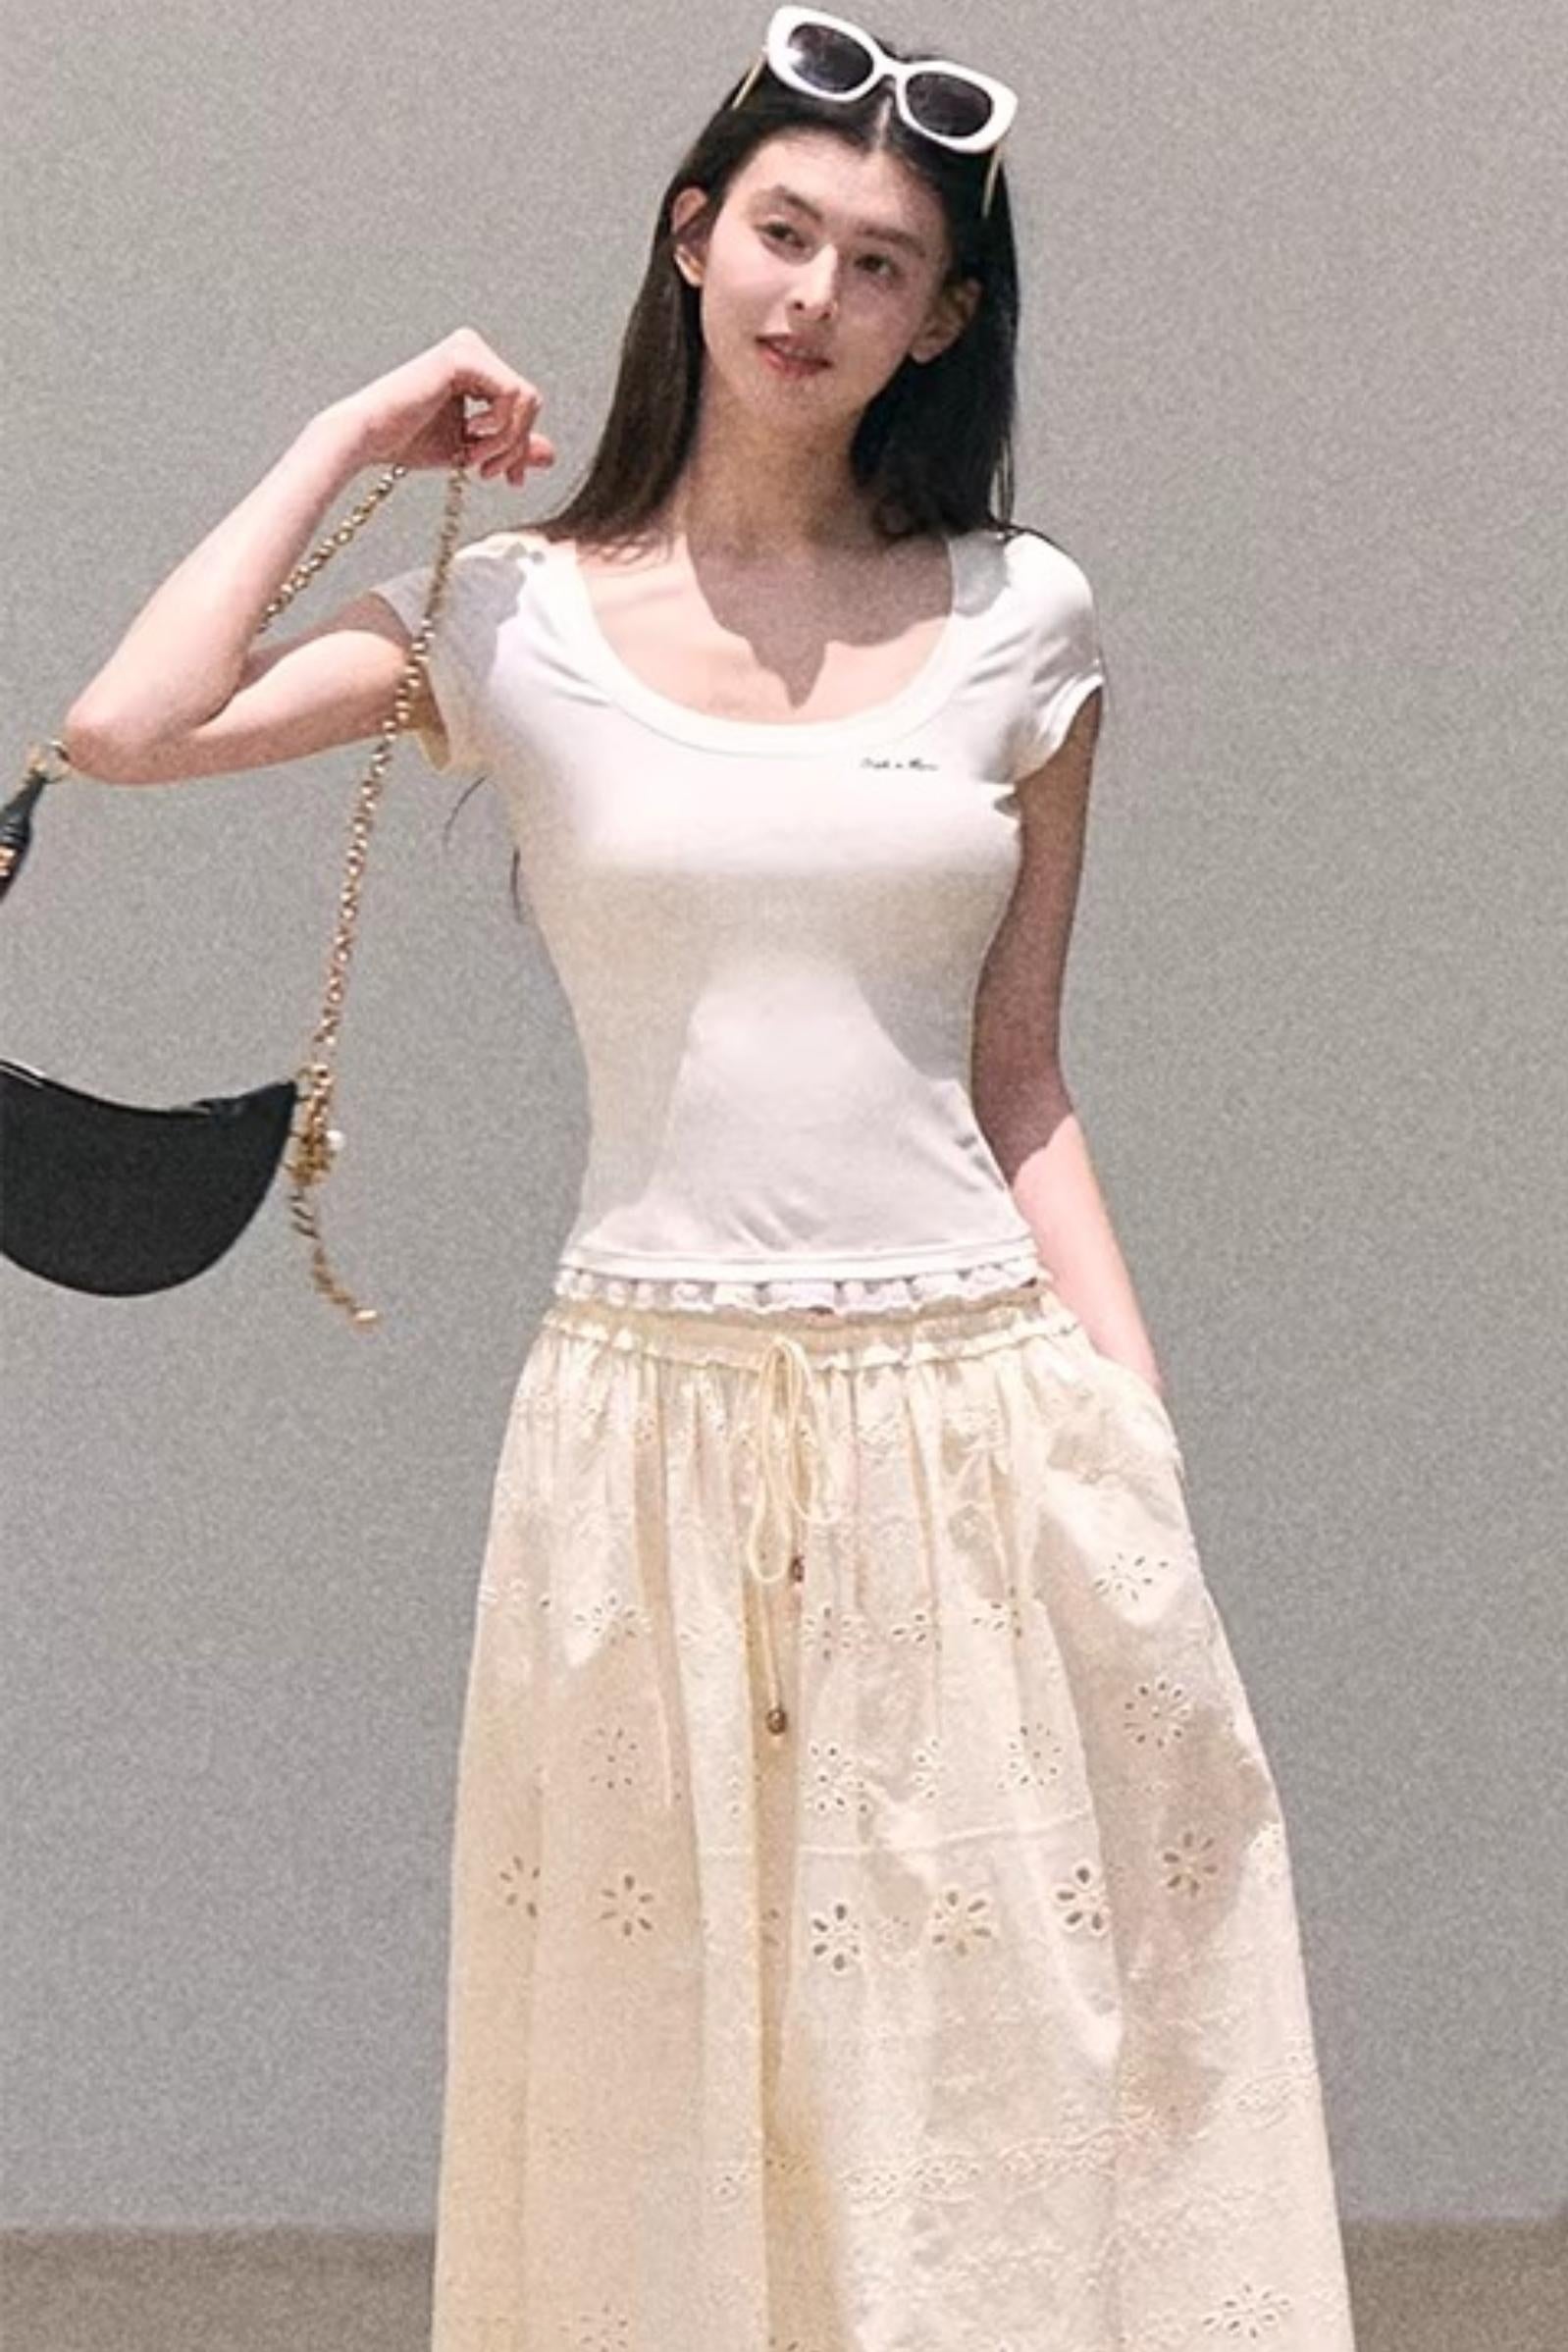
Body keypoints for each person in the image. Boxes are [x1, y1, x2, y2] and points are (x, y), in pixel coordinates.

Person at [63, 12, 1358, 2346]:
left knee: (994, 2083)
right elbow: (124, 727)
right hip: (639, 1429)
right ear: (689, 238)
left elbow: (1021, 1077)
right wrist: (353, 428)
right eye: (780, 231)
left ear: (940, 321)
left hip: (973, 1413)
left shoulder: (1023, 619)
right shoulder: (514, 618)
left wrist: (1133, 1442)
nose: (812, 294)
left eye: (879, 264)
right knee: (652, 2083)